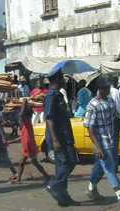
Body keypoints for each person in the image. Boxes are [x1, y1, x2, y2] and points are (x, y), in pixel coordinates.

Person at [84, 76, 120, 207]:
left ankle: (91, 187)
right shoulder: (92, 105)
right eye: (106, 88)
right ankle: (119, 195)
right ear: (100, 89)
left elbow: (116, 120)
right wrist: (98, 147)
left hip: (112, 141)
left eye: (108, 88)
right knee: (109, 168)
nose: (108, 90)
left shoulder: (111, 101)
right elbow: (90, 128)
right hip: (101, 143)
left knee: (101, 167)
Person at [45, 71, 79, 207]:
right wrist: (54, 140)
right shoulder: (51, 96)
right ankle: (53, 185)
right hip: (59, 138)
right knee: (68, 163)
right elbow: (49, 119)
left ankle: (62, 197)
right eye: (62, 78)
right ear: (56, 79)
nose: (65, 80)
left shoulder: (59, 95)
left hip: (66, 136)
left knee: (64, 166)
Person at [16, 99, 50, 183]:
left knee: (27, 162)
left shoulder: (25, 120)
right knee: (29, 162)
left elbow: (21, 115)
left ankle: (46, 176)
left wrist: (24, 104)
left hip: (28, 144)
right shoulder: (27, 121)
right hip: (29, 143)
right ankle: (18, 179)